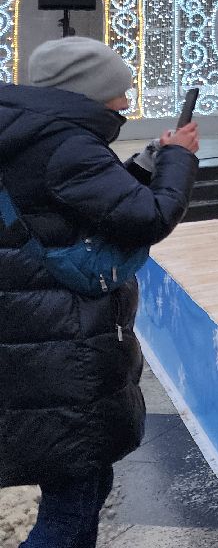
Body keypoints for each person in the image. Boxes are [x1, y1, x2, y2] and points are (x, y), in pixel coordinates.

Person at [0, 37, 198, 548]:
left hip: (31, 328)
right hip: (62, 339)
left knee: (78, 484)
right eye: (119, 93)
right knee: (73, 500)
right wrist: (179, 160)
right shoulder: (67, 144)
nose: (126, 104)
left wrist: (145, 164)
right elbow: (147, 217)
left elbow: (70, 204)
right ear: (86, 92)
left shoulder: (28, 132)